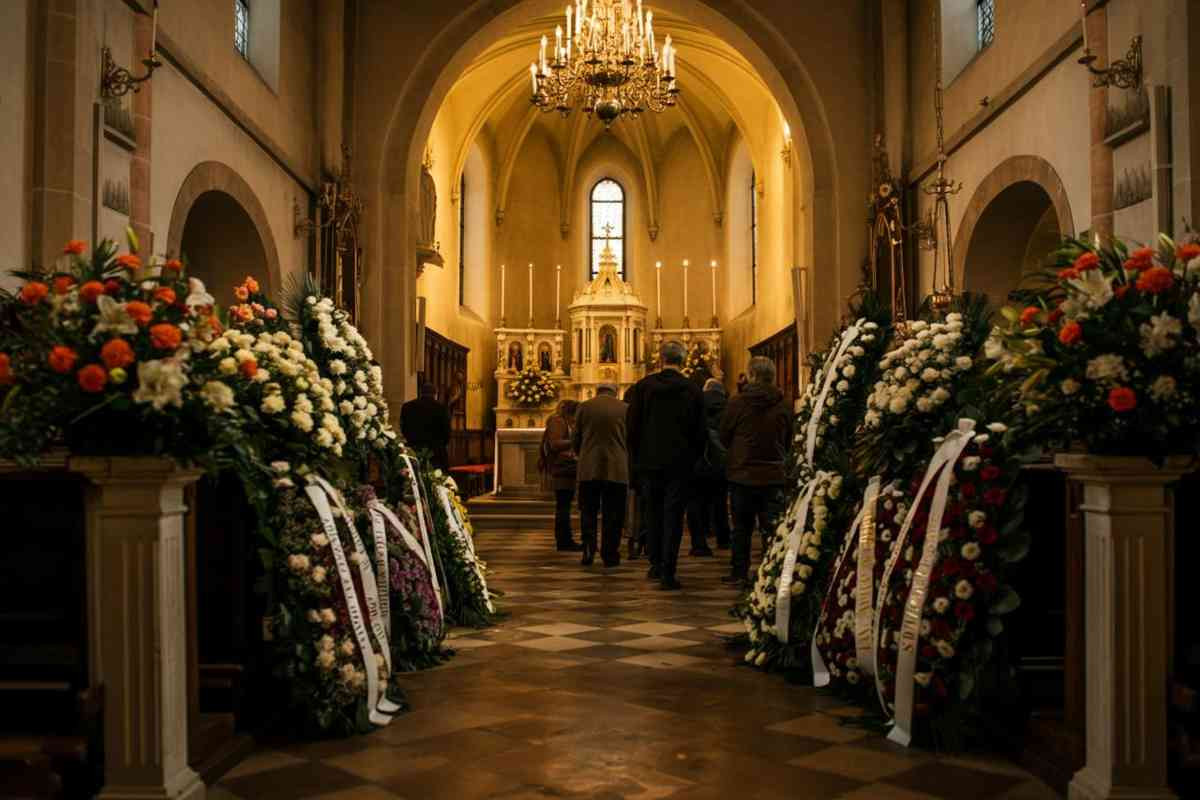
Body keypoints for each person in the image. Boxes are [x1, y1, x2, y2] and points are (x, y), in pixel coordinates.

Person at [627, 341, 706, 590]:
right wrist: (693, 458)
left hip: (649, 463)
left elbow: (632, 427)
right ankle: (668, 572)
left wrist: (637, 458)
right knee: (673, 516)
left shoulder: (643, 387)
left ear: (660, 360)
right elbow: (700, 431)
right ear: (682, 361)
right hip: (680, 464)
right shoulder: (692, 389)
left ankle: (655, 563)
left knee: (653, 513)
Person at [719, 357, 792, 587]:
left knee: (741, 528)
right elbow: (789, 437)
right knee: (772, 527)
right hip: (773, 475)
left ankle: (739, 572)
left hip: (742, 474)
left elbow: (724, 435)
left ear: (751, 375)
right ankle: (772, 572)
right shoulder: (783, 404)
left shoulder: (737, 403)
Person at [572, 383, 628, 567]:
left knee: (588, 511)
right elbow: (631, 438)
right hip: (617, 467)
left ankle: (588, 550)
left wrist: (581, 453)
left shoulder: (585, 407)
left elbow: (576, 436)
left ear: (597, 392)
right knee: (614, 513)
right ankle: (610, 554)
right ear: (614, 392)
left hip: (589, 466)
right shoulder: (624, 408)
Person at [686, 378, 731, 555]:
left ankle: (699, 543)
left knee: (695, 503)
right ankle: (723, 538)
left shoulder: (693, 404)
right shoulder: (729, 406)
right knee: (720, 501)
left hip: (697, 461)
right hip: (720, 462)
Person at [541, 399, 582, 552]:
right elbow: (555, 443)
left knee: (564, 505)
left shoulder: (564, 421)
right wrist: (576, 441)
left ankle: (566, 539)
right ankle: (564, 541)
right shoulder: (557, 421)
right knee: (563, 506)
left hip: (566, 468)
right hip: (561, 468)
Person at [400, 382, 451, 471]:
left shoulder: (407, 407)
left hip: (414, 450)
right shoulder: (441, 408)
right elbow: (446, 433)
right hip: (435, 452)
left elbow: (403, 428)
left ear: (420, 393)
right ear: (435, 394)